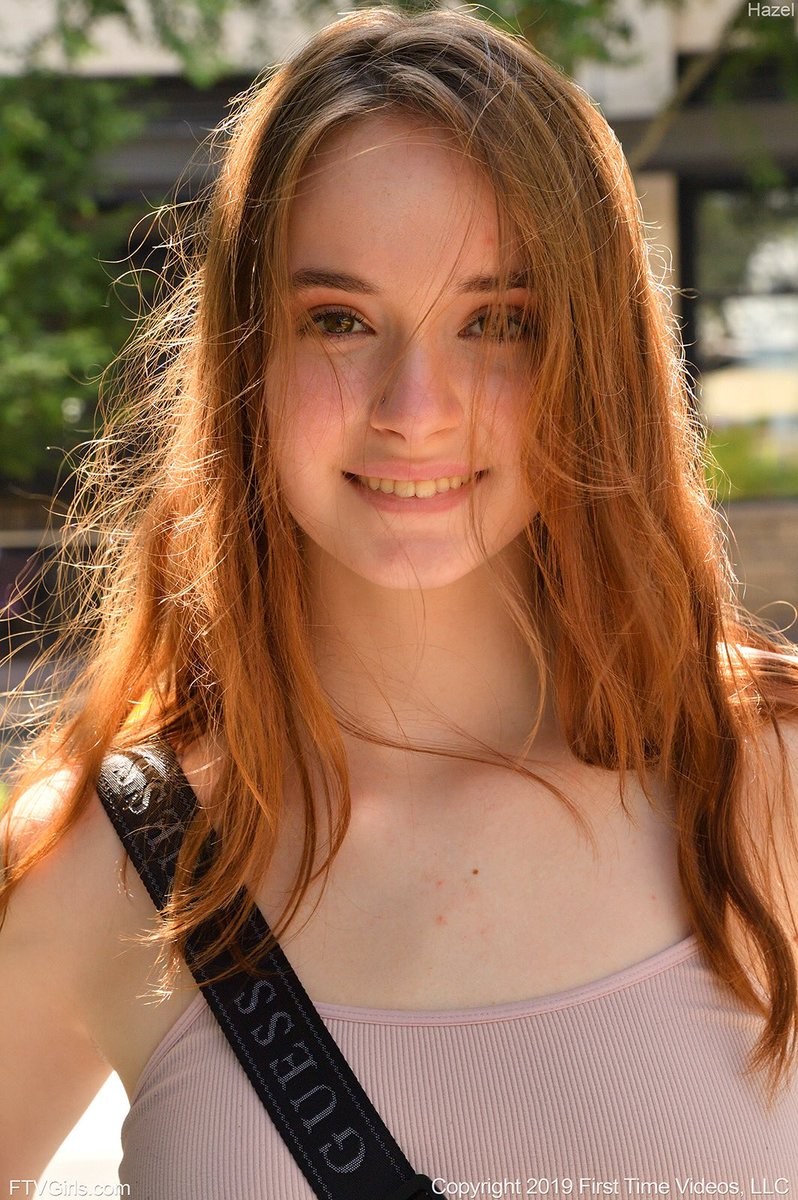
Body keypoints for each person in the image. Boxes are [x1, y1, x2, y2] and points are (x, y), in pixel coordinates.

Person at [1, 5, 797, 1195]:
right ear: (248, 357)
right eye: (339, 320)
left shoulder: (769, 785)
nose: (414, 409)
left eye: (497, 322)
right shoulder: (108, 865)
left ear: (595, 361)